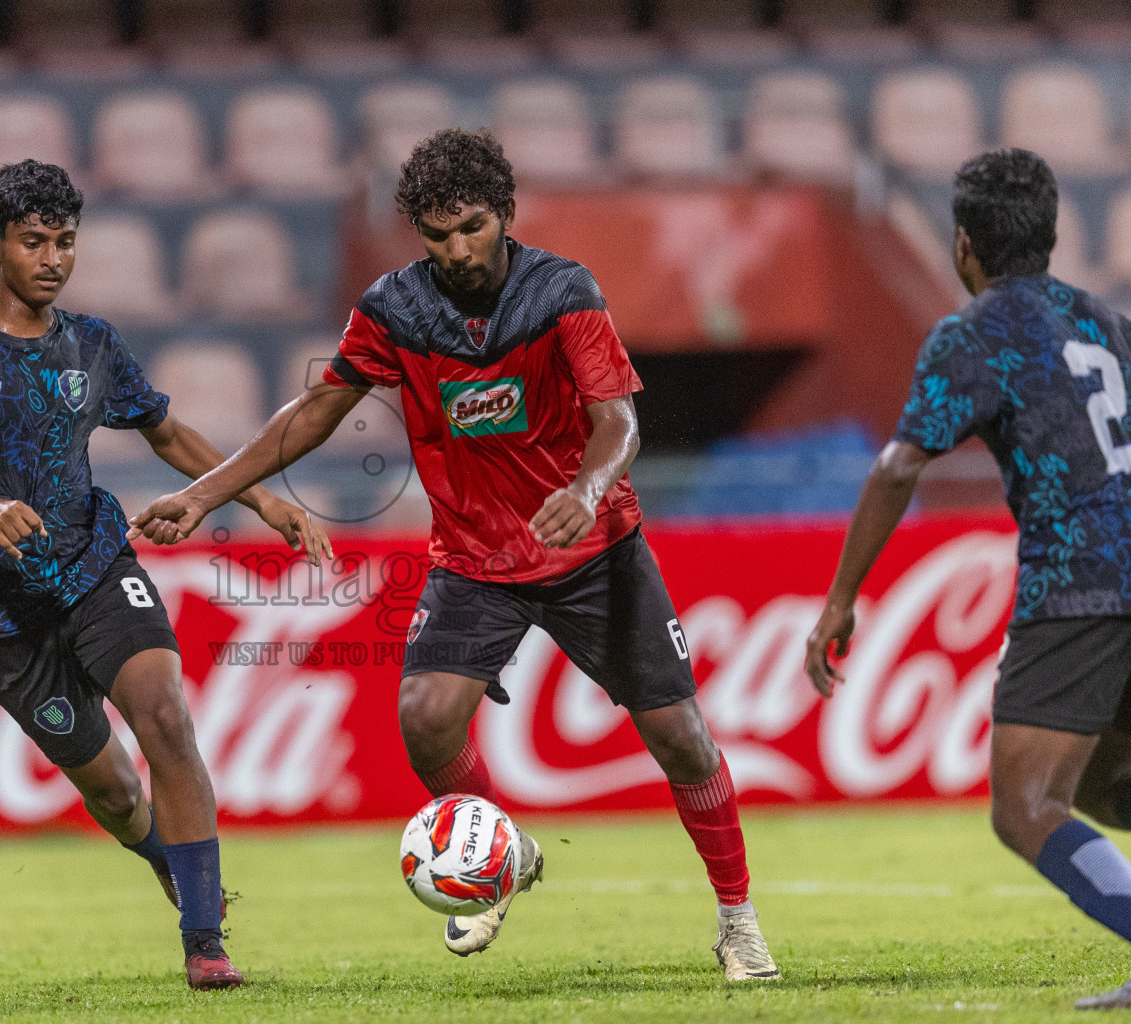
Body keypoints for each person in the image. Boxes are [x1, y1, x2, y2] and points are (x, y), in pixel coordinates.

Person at [128, 129, 780, 981]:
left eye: (471, 227)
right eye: (436, 236)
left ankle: (737, 918)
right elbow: (314, 411)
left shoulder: (562, 292)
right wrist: (203, 494)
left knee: (681, 737)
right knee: (425, 718)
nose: (457, 250)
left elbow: (618, 421)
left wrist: (584, 494)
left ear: (504, 214)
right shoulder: (396, 309)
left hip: (594, 547)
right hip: (475, 560)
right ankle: (499, 859)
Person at [0, 160, 326, 991]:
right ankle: (165, 860)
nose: (52, 258)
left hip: (94, 564)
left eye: (65, 242)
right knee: (114, 791)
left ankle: (204, 939)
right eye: (33, 241)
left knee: (165, 716)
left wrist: (260, 501)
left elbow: (169, 434)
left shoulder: (96, 344)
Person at [805, 148, 1131, 1012]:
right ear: (1053, 235)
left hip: (1080, 582)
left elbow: (897, 467)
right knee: (1108, 782)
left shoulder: (976, 331)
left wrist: (840, 601)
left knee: (1026, 806)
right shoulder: (1106, 321)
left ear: (962, 244)